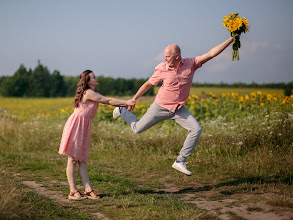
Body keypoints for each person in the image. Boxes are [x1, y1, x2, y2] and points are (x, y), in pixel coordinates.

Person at [113, 37, 235, 176]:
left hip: (178, 109)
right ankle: (121, 110)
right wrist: (133, 99)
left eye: (167, 56)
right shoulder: (161, 69)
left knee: (196, 129)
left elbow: (211, 53)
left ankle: (180, 161)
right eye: (164, 56)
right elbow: (148, 84)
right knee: (137, 129)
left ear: (176, 56)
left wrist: (231, 39)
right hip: (160, 107)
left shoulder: (191, 63)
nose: (165, 59)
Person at [59, 70, 134, 200]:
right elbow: (108, 100)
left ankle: (88, 190)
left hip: (84, 125)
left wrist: (124, 104)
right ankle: (73, 191)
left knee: (81, 159)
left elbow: (110, 101)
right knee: (72, 158)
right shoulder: (89, 93)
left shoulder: (93, 93)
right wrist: (127, 102)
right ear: (88, 81)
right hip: (76, 125)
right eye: (93, 77)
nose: (97, 78)